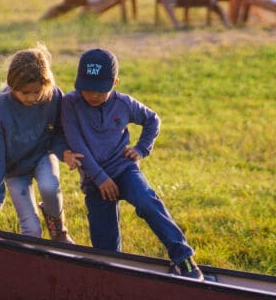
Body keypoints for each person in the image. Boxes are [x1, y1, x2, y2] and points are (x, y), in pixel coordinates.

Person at [61, 48, 202, 280]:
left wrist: (141, 149)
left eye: (100, 90)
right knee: (105, 253)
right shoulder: (70, 104)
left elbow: (152, 120)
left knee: (147, 202)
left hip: (124, 169)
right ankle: (114, 277)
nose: (93, 95)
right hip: (95, 182)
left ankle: (183, 258)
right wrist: (100, 179)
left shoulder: (124, 103)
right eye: (87, 89)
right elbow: (77, 145)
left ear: (115, 82)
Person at [0, 47, 74, 243]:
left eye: (36, 91)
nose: (31, 98)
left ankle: (59, 231)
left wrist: (64, 153)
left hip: (42, 155)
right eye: (24, 93)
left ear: (45, 84)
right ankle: (30, 264)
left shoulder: (52, 96)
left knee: (49, 186)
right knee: (31, 229)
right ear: (12, 86)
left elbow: (58, 132)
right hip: (15, 170)